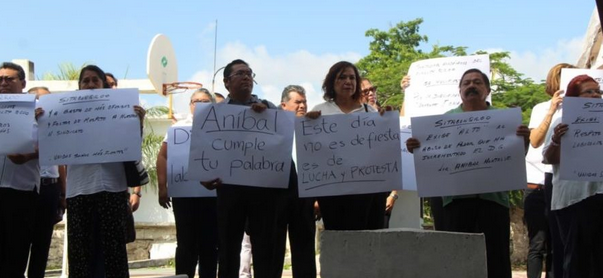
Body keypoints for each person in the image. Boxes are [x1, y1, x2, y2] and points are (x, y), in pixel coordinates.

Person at [406, 68, 530, 278]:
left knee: (496, 257)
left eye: (477, 82)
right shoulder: (443, 121)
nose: (471, 86)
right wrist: (416, 147)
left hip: (494, 201)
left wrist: (523, 140)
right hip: (456, 203)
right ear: (460, 90)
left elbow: (516, 158)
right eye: (466, 83)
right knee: (457, 259)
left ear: (488, 89)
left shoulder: (504, 120)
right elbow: (430, 157)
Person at [38, 65, 145, 277]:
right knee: (81, 253)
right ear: (79, 86)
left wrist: (137, 123)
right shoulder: (65, 114)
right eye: (85, 81)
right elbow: (54, 148)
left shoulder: (120, 110)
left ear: (104, 85)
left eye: (95, 80)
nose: (90, 84)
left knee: (113, 251)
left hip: (112, 188)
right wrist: (42, 122)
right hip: (79, 191)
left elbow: (132, 148)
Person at [200, 59, 285, 278]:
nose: (247, 77)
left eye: (249, 73)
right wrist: (204, 177)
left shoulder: (269, 108)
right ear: (227, 82)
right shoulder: (213, 114)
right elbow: (205, 152)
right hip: (229, 191)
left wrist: (267, 116)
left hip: (263, 193)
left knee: (265, 248)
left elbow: (283, 142)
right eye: (240, 74)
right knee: (228, 249)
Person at [305, 61, 382, 231]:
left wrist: (387, 120)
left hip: (365, 190)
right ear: (332, 82)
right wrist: (308, 124)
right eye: (342, 77)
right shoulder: (320, 111)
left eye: (352, 77)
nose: (348, 81)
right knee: (337, 236)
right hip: (332, 191)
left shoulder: (370, 112)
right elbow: (311, 151)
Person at [543, 74, 603, 278]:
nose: (596, 95)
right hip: (574, 199)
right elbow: (549, 158)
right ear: (574, 97)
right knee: (577, 262)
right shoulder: (562, 120)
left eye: (598, 92)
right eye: (589, 91)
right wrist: (557, 140)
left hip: (601, 195)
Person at [157, 88, 219, 278]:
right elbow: (163, 156)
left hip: (213, 197)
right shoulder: (177, 129)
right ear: (190, 106)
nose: (199, 105)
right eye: (195, 101)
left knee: (210, 244)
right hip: (184, 197)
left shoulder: (221, 127)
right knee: (185, 244)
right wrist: (162, 187)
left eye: (204, 101)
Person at [525, 63, 574, 278]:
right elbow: (534, 141)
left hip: (563, 184)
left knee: (559, 242)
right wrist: (552, 110)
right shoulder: (540, 108)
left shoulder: (581, 109)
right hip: (537, 183)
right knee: (537, 244)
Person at [0, 62, 40, 278]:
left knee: (16, 256)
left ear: (23, 83)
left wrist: (27, 156)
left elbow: (51, 145)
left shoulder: (38, 111)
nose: (3, 83)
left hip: (21, 191)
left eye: (9, 79)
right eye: (0, 79)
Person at [275, 85, 317, 278]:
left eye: (304, 102)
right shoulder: (271, 126)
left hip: (306, 197)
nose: (302, 106)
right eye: (297, 102)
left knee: (304, 250)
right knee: (273, 251)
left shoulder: (315, 126)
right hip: (277, 197)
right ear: (284, 105)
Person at [26, 87, 67, 278]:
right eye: (39, 101)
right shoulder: (22, 124)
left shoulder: (56, 126)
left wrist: (63, 194)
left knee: (42, 242)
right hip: (25, 188)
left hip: (50, 187)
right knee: (20, 239)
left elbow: (61, 164)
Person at [360, 78, 398, 228]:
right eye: (365, 91)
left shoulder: (386, 116)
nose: (371, 93)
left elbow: (395, 156)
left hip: (382, 194)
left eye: (373, 89)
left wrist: (393, 195)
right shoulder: (346, 119)